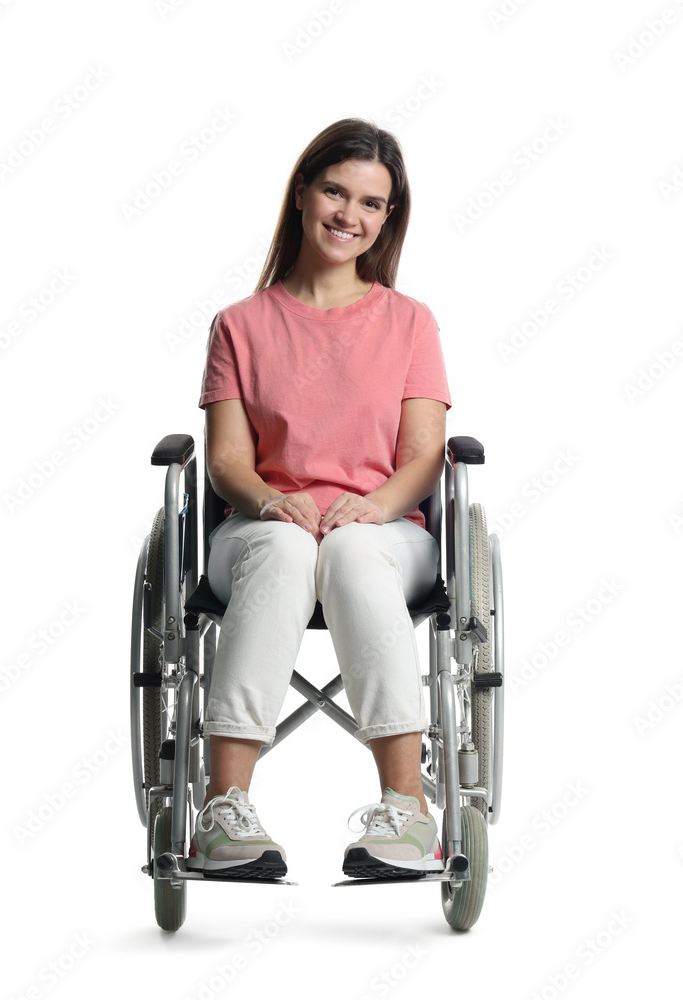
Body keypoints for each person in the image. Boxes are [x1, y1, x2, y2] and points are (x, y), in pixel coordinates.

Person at [189, 117, 452, 880]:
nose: (349, 215)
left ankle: (406, 809)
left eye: (372, 203)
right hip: (259, 530)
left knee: (348, 549)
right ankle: (223, 809)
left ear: (387, 219)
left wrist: (372, 504)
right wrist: (271, 501)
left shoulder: (408, 322)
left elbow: (423, 456)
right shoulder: (240, 325)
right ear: (302, 192)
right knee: (284, 545)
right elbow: (229, 461)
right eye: (335, 191)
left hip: (383, 532)